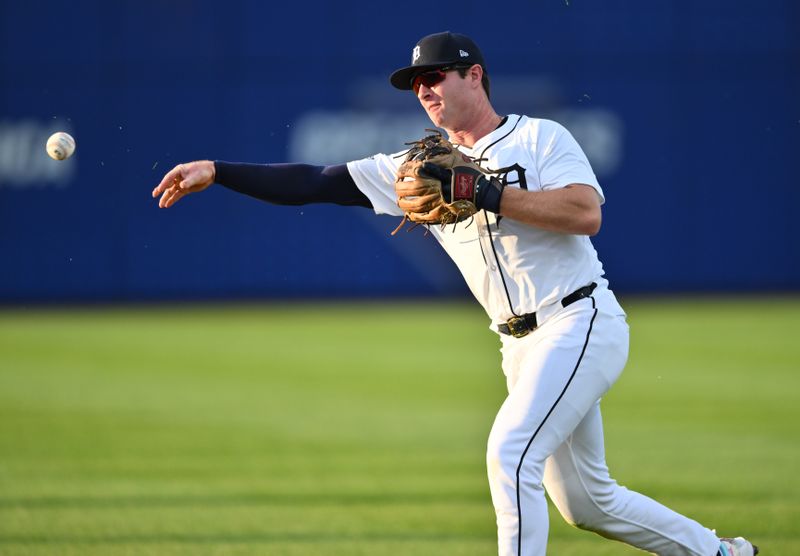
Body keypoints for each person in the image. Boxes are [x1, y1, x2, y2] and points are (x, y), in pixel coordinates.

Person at [152, 31, 757, 556]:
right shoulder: (419, 168)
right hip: (517, 348)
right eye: (416, 84)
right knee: (588, 504)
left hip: (578, 320)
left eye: (434, 76)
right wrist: (221, 171)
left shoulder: (541, 139)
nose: (423, 90)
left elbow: (585, 212)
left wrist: (486, 192)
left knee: (509, 455)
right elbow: (315, 181)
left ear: (475, 75)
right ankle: (719, 550)